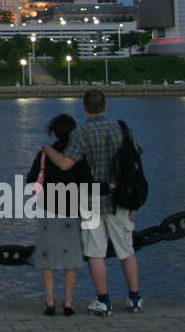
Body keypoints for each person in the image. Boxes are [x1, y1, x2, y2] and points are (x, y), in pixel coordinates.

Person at [43, 88, 143, 316]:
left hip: (91, 199)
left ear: (84, 108)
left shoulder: (80, 133)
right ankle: (135, 298)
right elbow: (135, 161)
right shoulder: (122, 129)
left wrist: (48, 149)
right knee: (126, 249)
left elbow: (66, 164)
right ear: (105, 106)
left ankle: (103, 301)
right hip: (121, 197)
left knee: (95, 252)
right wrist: (133, 202)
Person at [26, 113, 82, 316]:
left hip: (47, 208)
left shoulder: (44, 154)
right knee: (71, 259)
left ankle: (49, 301)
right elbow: (86, 180)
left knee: (47, 256)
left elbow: (31, 179)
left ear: (54, 132)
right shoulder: (78, 155)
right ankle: (68, 302)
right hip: (71, 208)